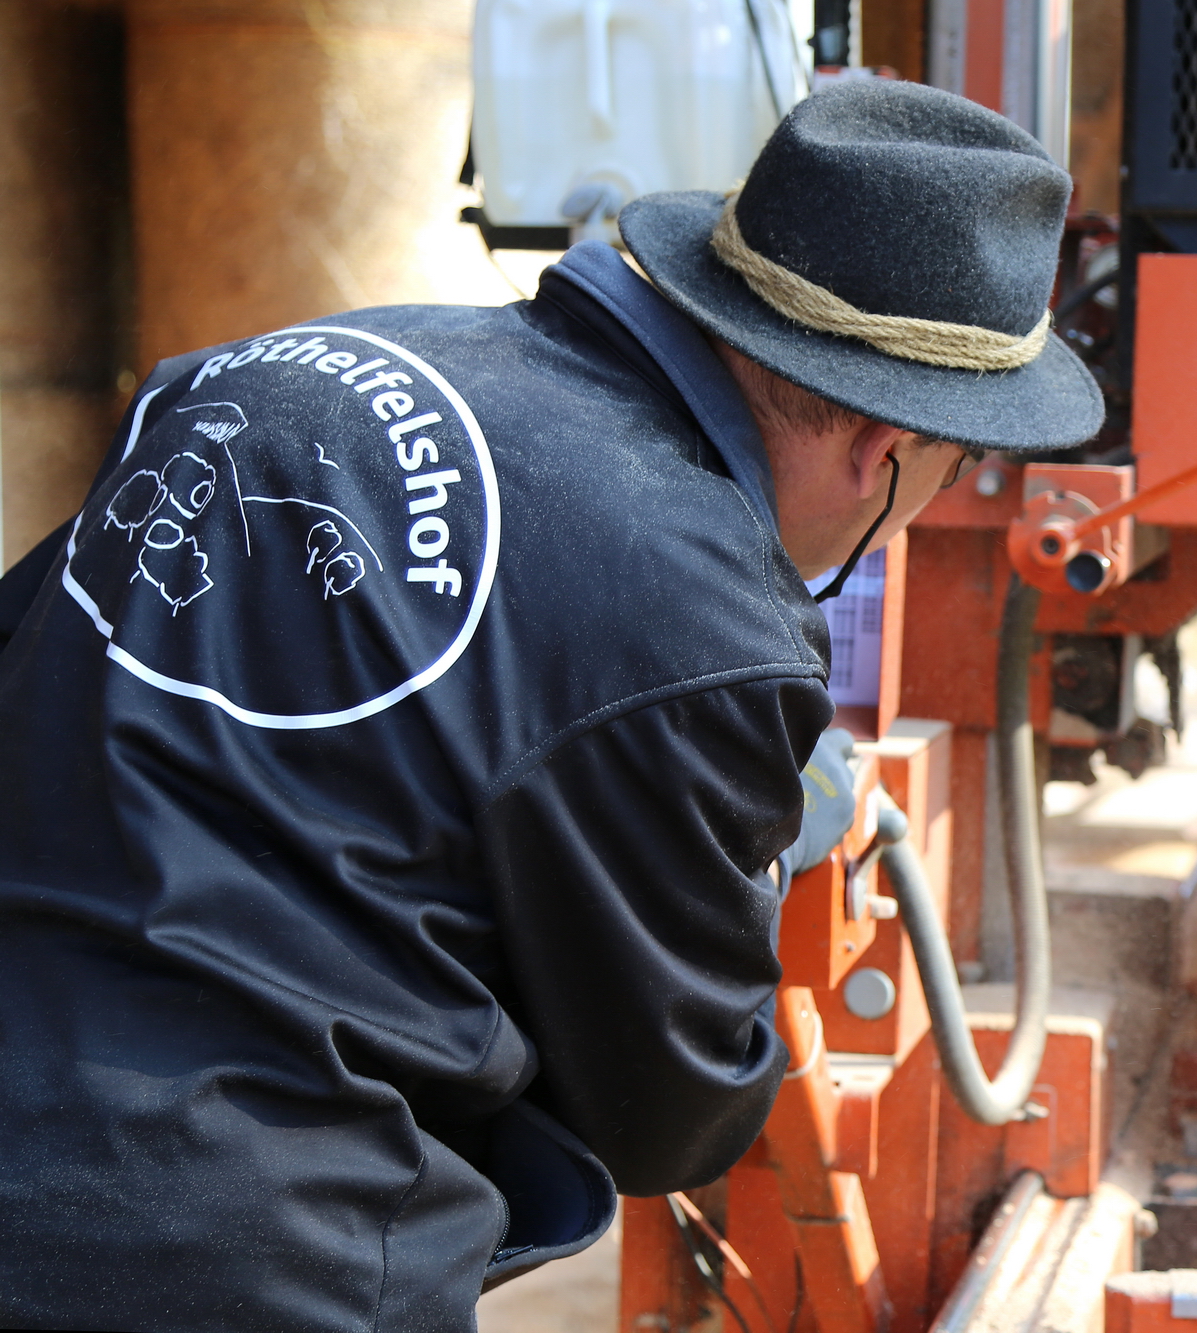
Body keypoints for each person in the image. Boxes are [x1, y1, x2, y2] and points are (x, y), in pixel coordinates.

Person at [0, 80, 1102, 1332]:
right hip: (241, 1253)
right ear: (881, 452)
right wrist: (746, 842)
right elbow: (668, 1114)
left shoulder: (281, 364)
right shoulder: (703, 624)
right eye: (954, 467)